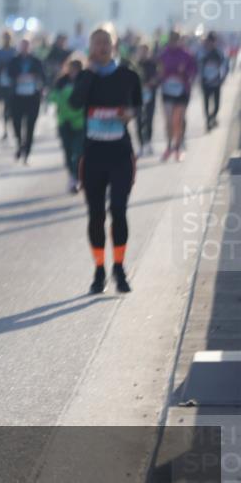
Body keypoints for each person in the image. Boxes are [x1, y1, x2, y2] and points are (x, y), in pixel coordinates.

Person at [69, 26, 141, 294]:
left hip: (120, 155)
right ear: (90, 47)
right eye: (97, 42)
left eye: (106, 42)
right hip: (93, 156)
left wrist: (129, 114)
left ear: (114, 45)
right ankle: (99, 270)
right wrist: (89, 72)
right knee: (96, 214)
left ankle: (119, 268)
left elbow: (137, 105)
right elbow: (75, 103)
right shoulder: (86, 76)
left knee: (119, 210)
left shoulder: (128, 75)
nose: (101, 47)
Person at [48, 55, 86, 194]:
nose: (73, 72)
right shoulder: (61, 81)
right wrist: (63, 99)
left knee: (79, 151)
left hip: (80, 123)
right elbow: (52, 97)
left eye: (76, 69)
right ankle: (72, 176)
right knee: (68, 151)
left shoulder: (85, 81)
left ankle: (77, 175)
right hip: (64, 122)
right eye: (71, 69)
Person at [157, 30, 197, 162]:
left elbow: (193, 71)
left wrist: (185, 74)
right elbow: (159, 71)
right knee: (169, 121)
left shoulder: (187, 54)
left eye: (176, 39)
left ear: (180, 40)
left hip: (182, 91)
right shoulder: (163, 54)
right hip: (167, 91)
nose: (173, 42)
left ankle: (178, 148)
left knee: (178, 120)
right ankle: (169, 146)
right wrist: (162, 76)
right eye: (171, 39)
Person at [6, 37, 47, 164]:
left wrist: (33, 77)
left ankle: (27, 151)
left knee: (30, 125)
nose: (24, 48)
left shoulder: (36, 61)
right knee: (16, 123)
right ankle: (19, 144)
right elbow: (9, 74)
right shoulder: (13, 61)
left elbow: (43, 76)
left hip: (32, 97)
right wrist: (18, 77)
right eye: (22, 46)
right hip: (17, 97)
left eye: (26, 46)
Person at [199, 32, 226, 131]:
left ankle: (213, 116)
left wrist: (222, 78)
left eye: (212, 41)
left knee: (217, 104)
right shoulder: (202, 53)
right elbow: (198, 67)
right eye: (209, 41)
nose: (210, 43)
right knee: (206, 103)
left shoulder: (219, 53)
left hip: (216, 82)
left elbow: (224, 66)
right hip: (205, 82)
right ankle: (208, 121)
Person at [135, 43, 159, 155]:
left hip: (150, 96)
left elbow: (157, 78)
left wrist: (152, 83)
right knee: (139, 121)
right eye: (141, 51)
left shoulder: (153, 64)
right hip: (138, 97)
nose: (143, 53)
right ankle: (141, 145)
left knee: (149, 120)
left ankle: (148, 142)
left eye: (145, 51)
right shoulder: (135, 65)